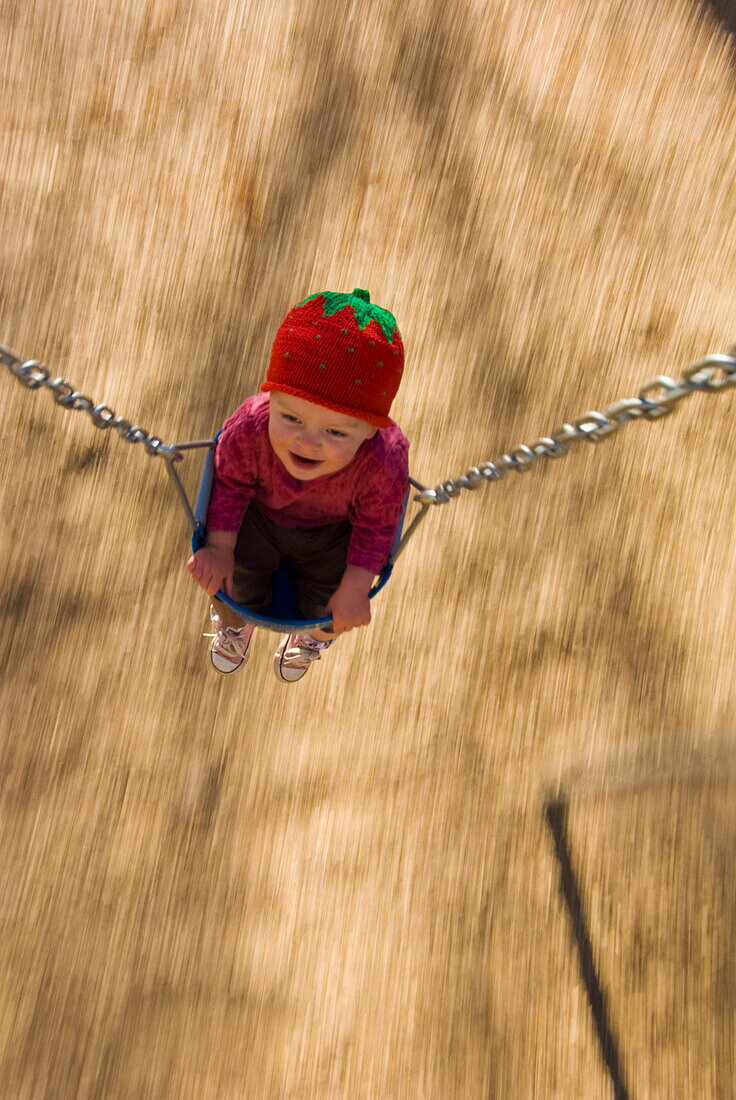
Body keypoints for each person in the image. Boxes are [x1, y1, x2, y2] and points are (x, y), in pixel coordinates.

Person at [187, 288, 409, 682]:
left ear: (372, 430)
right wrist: (220, 548)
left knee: (335, 605)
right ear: (272, 397)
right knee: (232, 580)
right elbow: (232, 483)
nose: (308, 442)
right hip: (258, 517)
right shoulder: (252, 426)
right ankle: (236, 623)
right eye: (290, 417)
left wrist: (356, 585)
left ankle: (312, 635)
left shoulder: (382, 460)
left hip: (334, 532)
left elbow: (377, 525)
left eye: (336, 431)